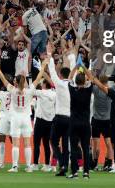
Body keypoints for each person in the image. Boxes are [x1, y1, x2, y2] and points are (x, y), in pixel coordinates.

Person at [0, 61, 46, 172]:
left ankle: (15, 166)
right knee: (27, 143)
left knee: (16, 144)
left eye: (14, 81)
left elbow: (3, 78)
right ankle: (28, 166)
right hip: (26, 118)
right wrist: (43, 67)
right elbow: (38, 78)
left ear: (16, 83)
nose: (13, 82)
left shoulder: (12, 90)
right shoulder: (29, 91)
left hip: (15, 118)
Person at [46, 45, 76, 176]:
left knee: (53, 141)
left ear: (60, 74)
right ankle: (64, 165)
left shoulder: (58, 83)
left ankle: (63, 163)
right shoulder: (73, 83)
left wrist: (49, 54)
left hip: (59, 118)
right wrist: (71, 55)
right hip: (70, 118)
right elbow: (74, 68)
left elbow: (51, 71)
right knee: (65, 143)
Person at [90, 73, 113, 171]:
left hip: (96, 120)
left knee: (96, 145)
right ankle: (108, 164)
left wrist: (92, 75)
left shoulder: (95, 89)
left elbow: (91, 82)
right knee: (108, 144)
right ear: (107, 81)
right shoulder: (110, 91)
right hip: (107, 121)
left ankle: (94, 164)